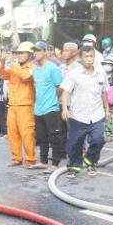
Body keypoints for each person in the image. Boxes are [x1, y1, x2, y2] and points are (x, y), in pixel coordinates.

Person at [61, 45, 111, 178]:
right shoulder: (74, 74)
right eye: (86, 56)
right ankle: (73, 167)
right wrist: (65, 109)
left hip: (97, 114)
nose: (89, 59)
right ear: (80, 57)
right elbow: (66, 91)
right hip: (78, 115)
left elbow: (104, 92)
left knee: (99, 139)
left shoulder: (101, 73)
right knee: (75, 143)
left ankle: (91, 160)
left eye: (92, 56)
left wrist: (107, 110)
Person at [0, 42, 37, 167]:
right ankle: (17, 157)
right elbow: (2, 74)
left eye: (22, 53)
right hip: (13, 105)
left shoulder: (32, 67)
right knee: (13, 132)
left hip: (25, 105)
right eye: (18, 53)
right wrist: (2, 62)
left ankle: (30, 159)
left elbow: (25, 76)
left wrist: (12, 63)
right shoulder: (15, 67)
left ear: (30, 55)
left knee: (27, 133)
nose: (19, 55)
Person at [30, 42, 64, 173]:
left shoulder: (53, 67)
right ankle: (43, 161)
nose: (36, 53)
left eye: (38, 50)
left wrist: (53, 98)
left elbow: (59, 86)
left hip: (51, 108)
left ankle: (55, 163)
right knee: (41, 137)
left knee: (54, 136)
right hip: (38, 108)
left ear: (46, 51)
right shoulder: (34, 68)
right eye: (34, 50)